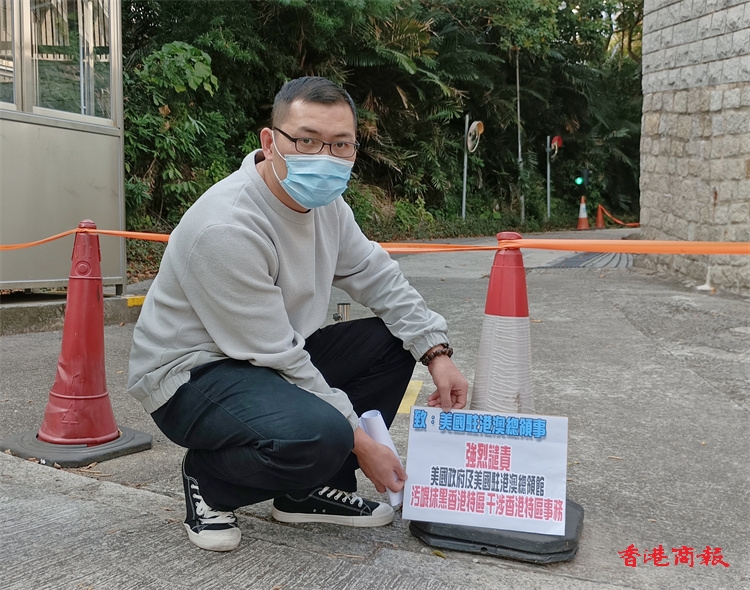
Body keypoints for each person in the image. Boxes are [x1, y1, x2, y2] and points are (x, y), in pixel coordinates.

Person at [127, 76, 468, 552]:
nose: (324, 157)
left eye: (341, 144)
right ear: (271, 142)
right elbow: (277, 354)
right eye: (307, 140)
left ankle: (306, 491)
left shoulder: (327, 205)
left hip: (268, 355)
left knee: (394, 343)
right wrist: (360, 442)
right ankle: (211, 480)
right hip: (193, 375)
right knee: (322, 434)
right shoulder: (227, 226)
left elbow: (376, 275)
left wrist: (436, 352)